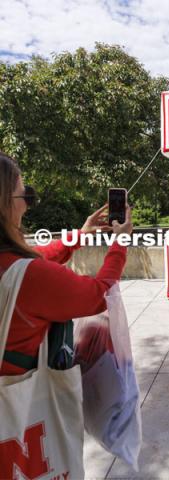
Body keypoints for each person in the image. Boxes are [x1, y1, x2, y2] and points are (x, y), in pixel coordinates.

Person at [0, 151, 132, 376]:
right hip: (18, 401)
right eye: (26, 196)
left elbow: (35, 256)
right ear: (5, 204)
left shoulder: (14, 264)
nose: (28, 205)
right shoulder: (30, 276)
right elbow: (99, 294)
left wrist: (80, 235)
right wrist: (121, 242)